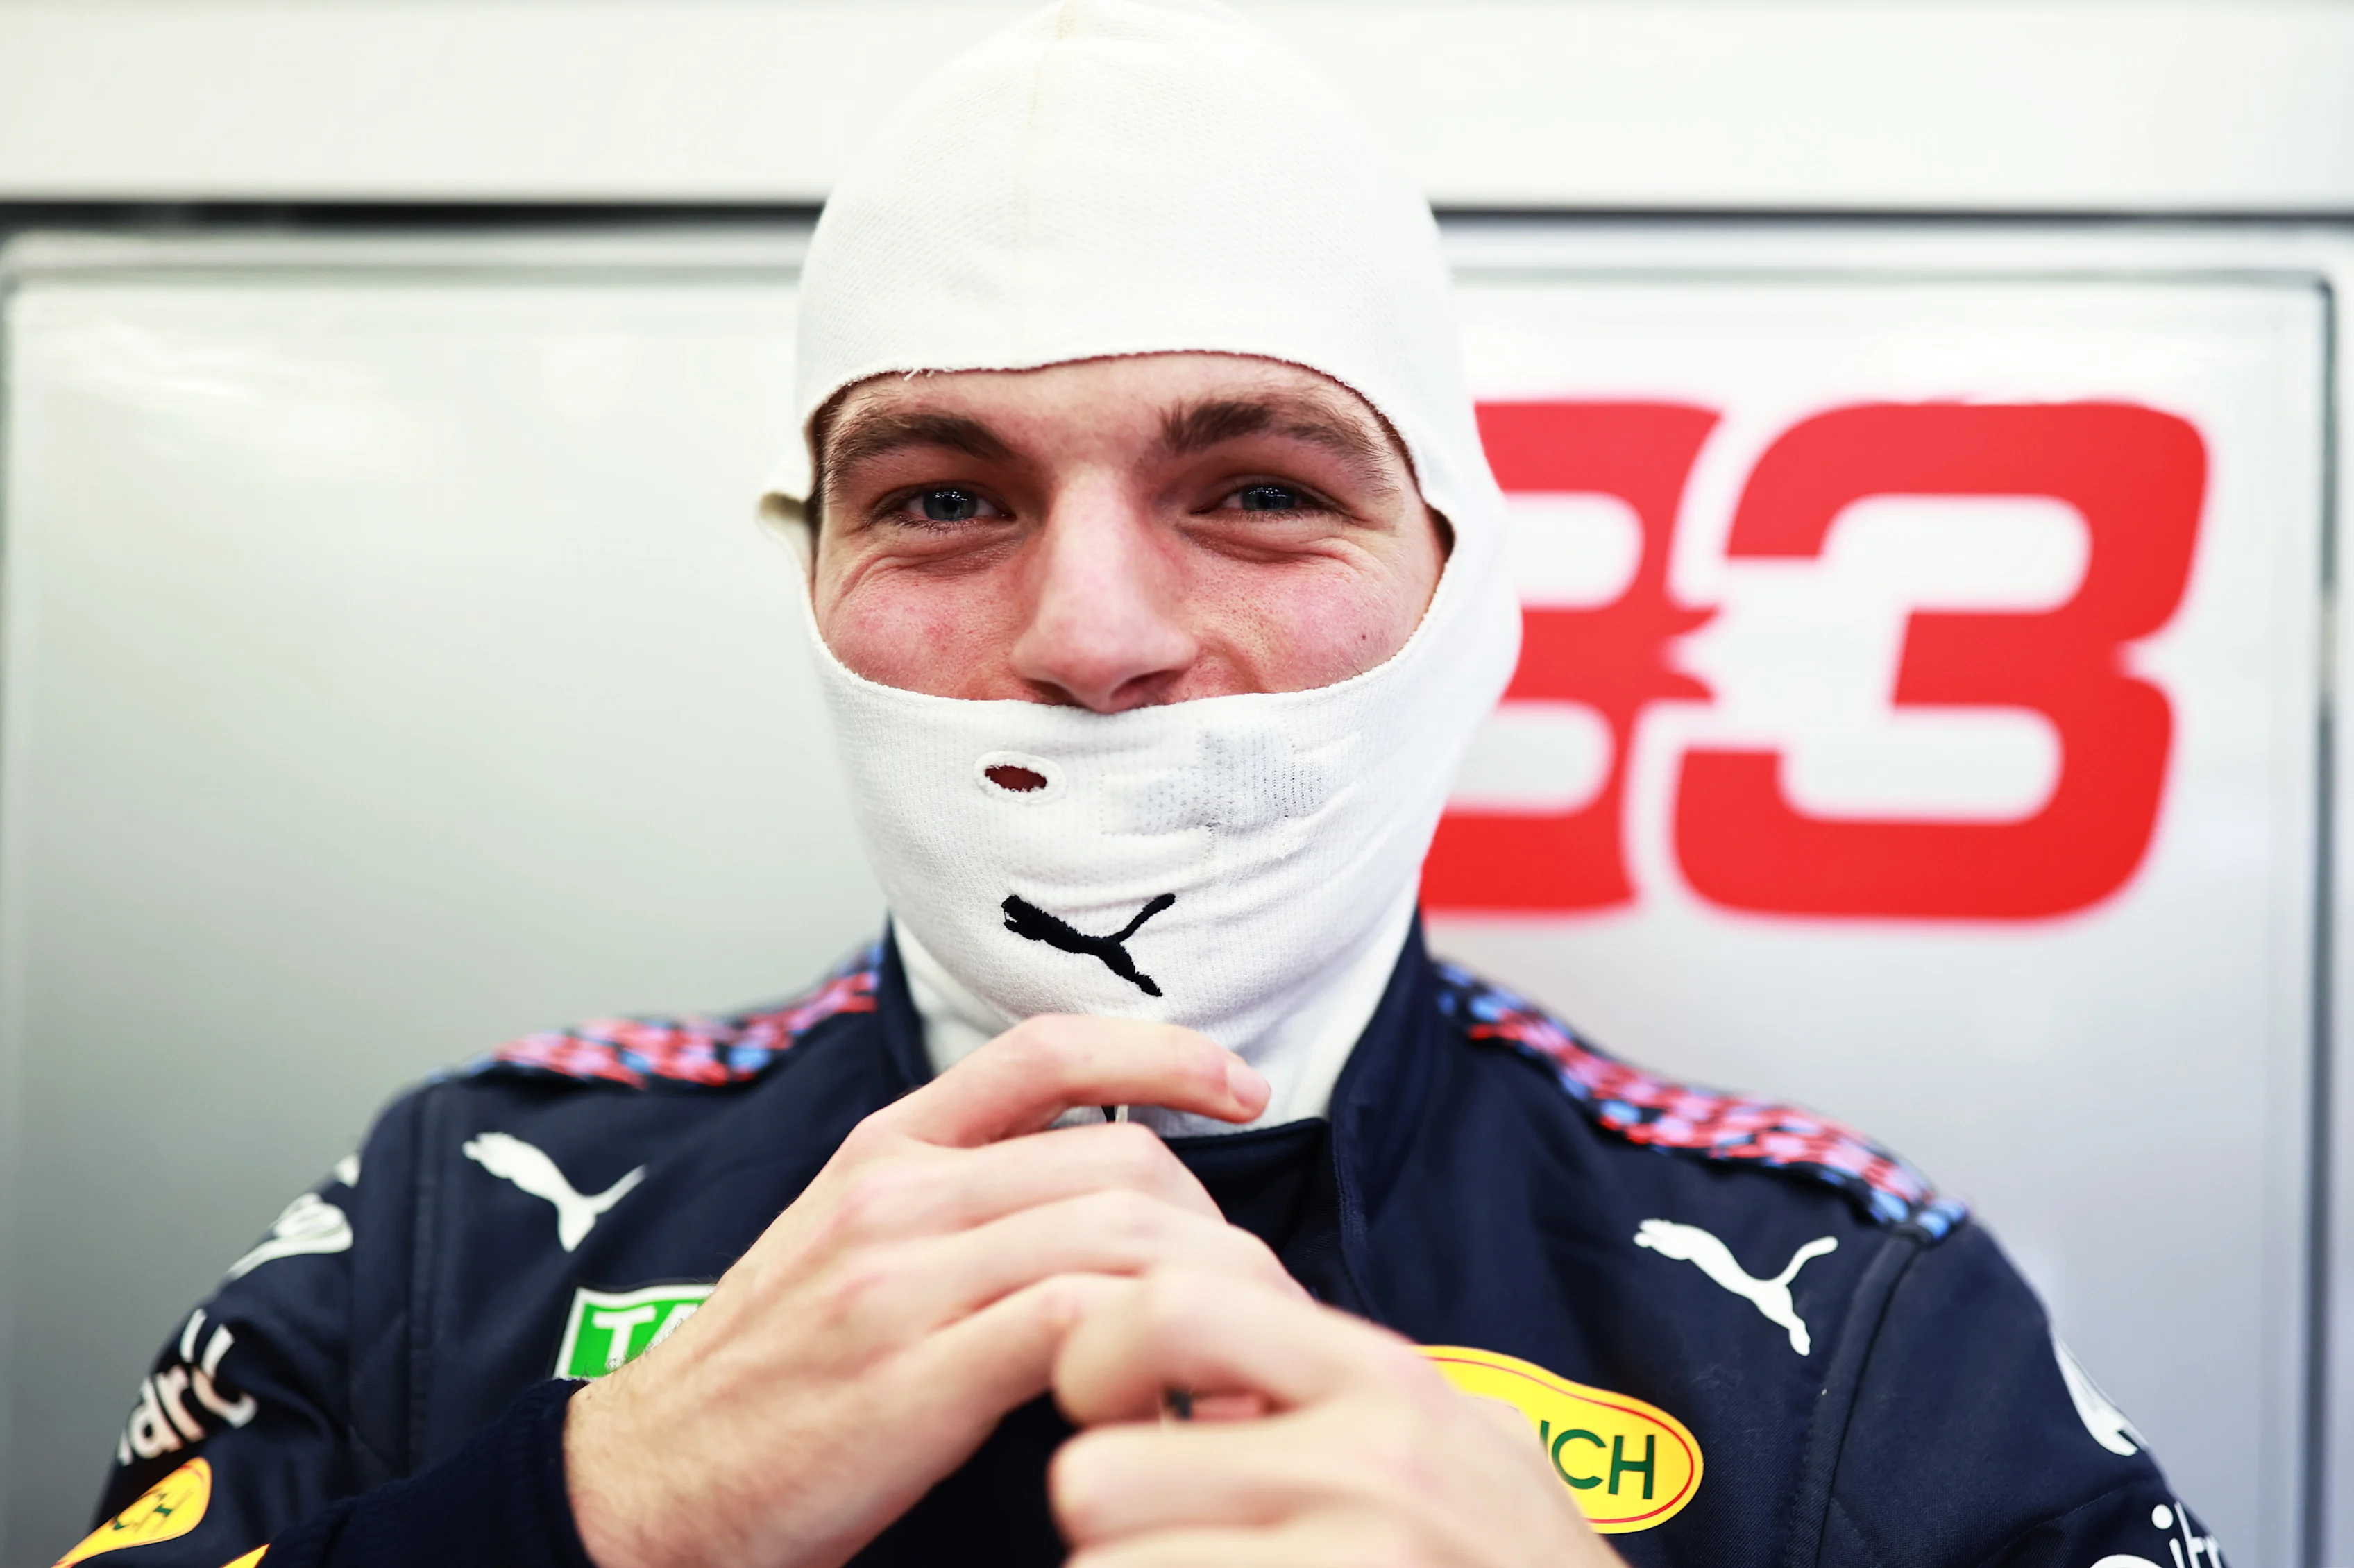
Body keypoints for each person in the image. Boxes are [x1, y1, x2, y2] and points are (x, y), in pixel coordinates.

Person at [68, 3, 2225, 1567]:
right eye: (937, 498)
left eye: (1264, 485)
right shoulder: (455, 1223)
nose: (1093, 632)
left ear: (1462, 583)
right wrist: (592, 1511)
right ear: (803, 574)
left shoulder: (1857, 1322)